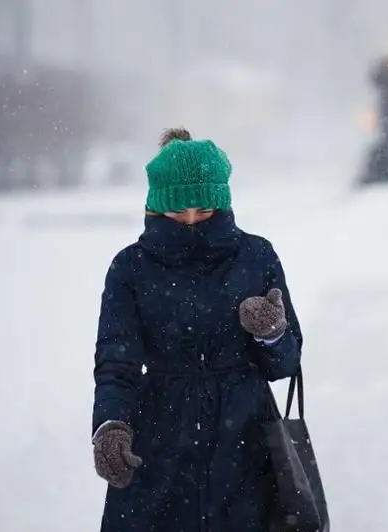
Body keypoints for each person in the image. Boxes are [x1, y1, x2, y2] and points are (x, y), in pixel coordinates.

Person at [91, 127, 303, 532]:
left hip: (246, 439)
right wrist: (110, 426)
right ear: (156, 207)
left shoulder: (257, 256)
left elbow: (286, 363)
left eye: (203, 211)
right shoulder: (130, 268)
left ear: (221, 203)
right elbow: (116, 362)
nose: (191, 222)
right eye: (178, 211)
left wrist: (271, 332)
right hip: (160, 438)